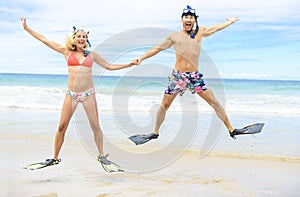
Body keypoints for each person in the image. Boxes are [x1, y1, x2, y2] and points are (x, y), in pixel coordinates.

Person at [129, 5, 264, 145]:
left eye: (191, 17)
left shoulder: (200, 32)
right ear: (182, 20)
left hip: (194, 77)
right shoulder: (174, 36)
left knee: (214, 102)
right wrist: (141, 58)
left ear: (195, 20)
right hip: (178, 77)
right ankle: (155, 132)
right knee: (164, 105)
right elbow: (157, 49)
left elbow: (215, 28)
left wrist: (229, 22)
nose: (188, 19)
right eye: (186, 17)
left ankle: (231, 129)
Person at [21, 17, 136, 172]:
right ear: (73, 39)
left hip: (88, 95)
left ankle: (101, 155)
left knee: (95, 126)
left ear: (87, 40)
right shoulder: (66, 51)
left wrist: (129, 64)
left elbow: (109, 66)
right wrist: (27, 28)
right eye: (78, 36)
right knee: (62, 126)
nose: (81, 38)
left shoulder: (92, 55)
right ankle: (54, 158)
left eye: (84, 36)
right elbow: (44, 40)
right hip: (72, 94)